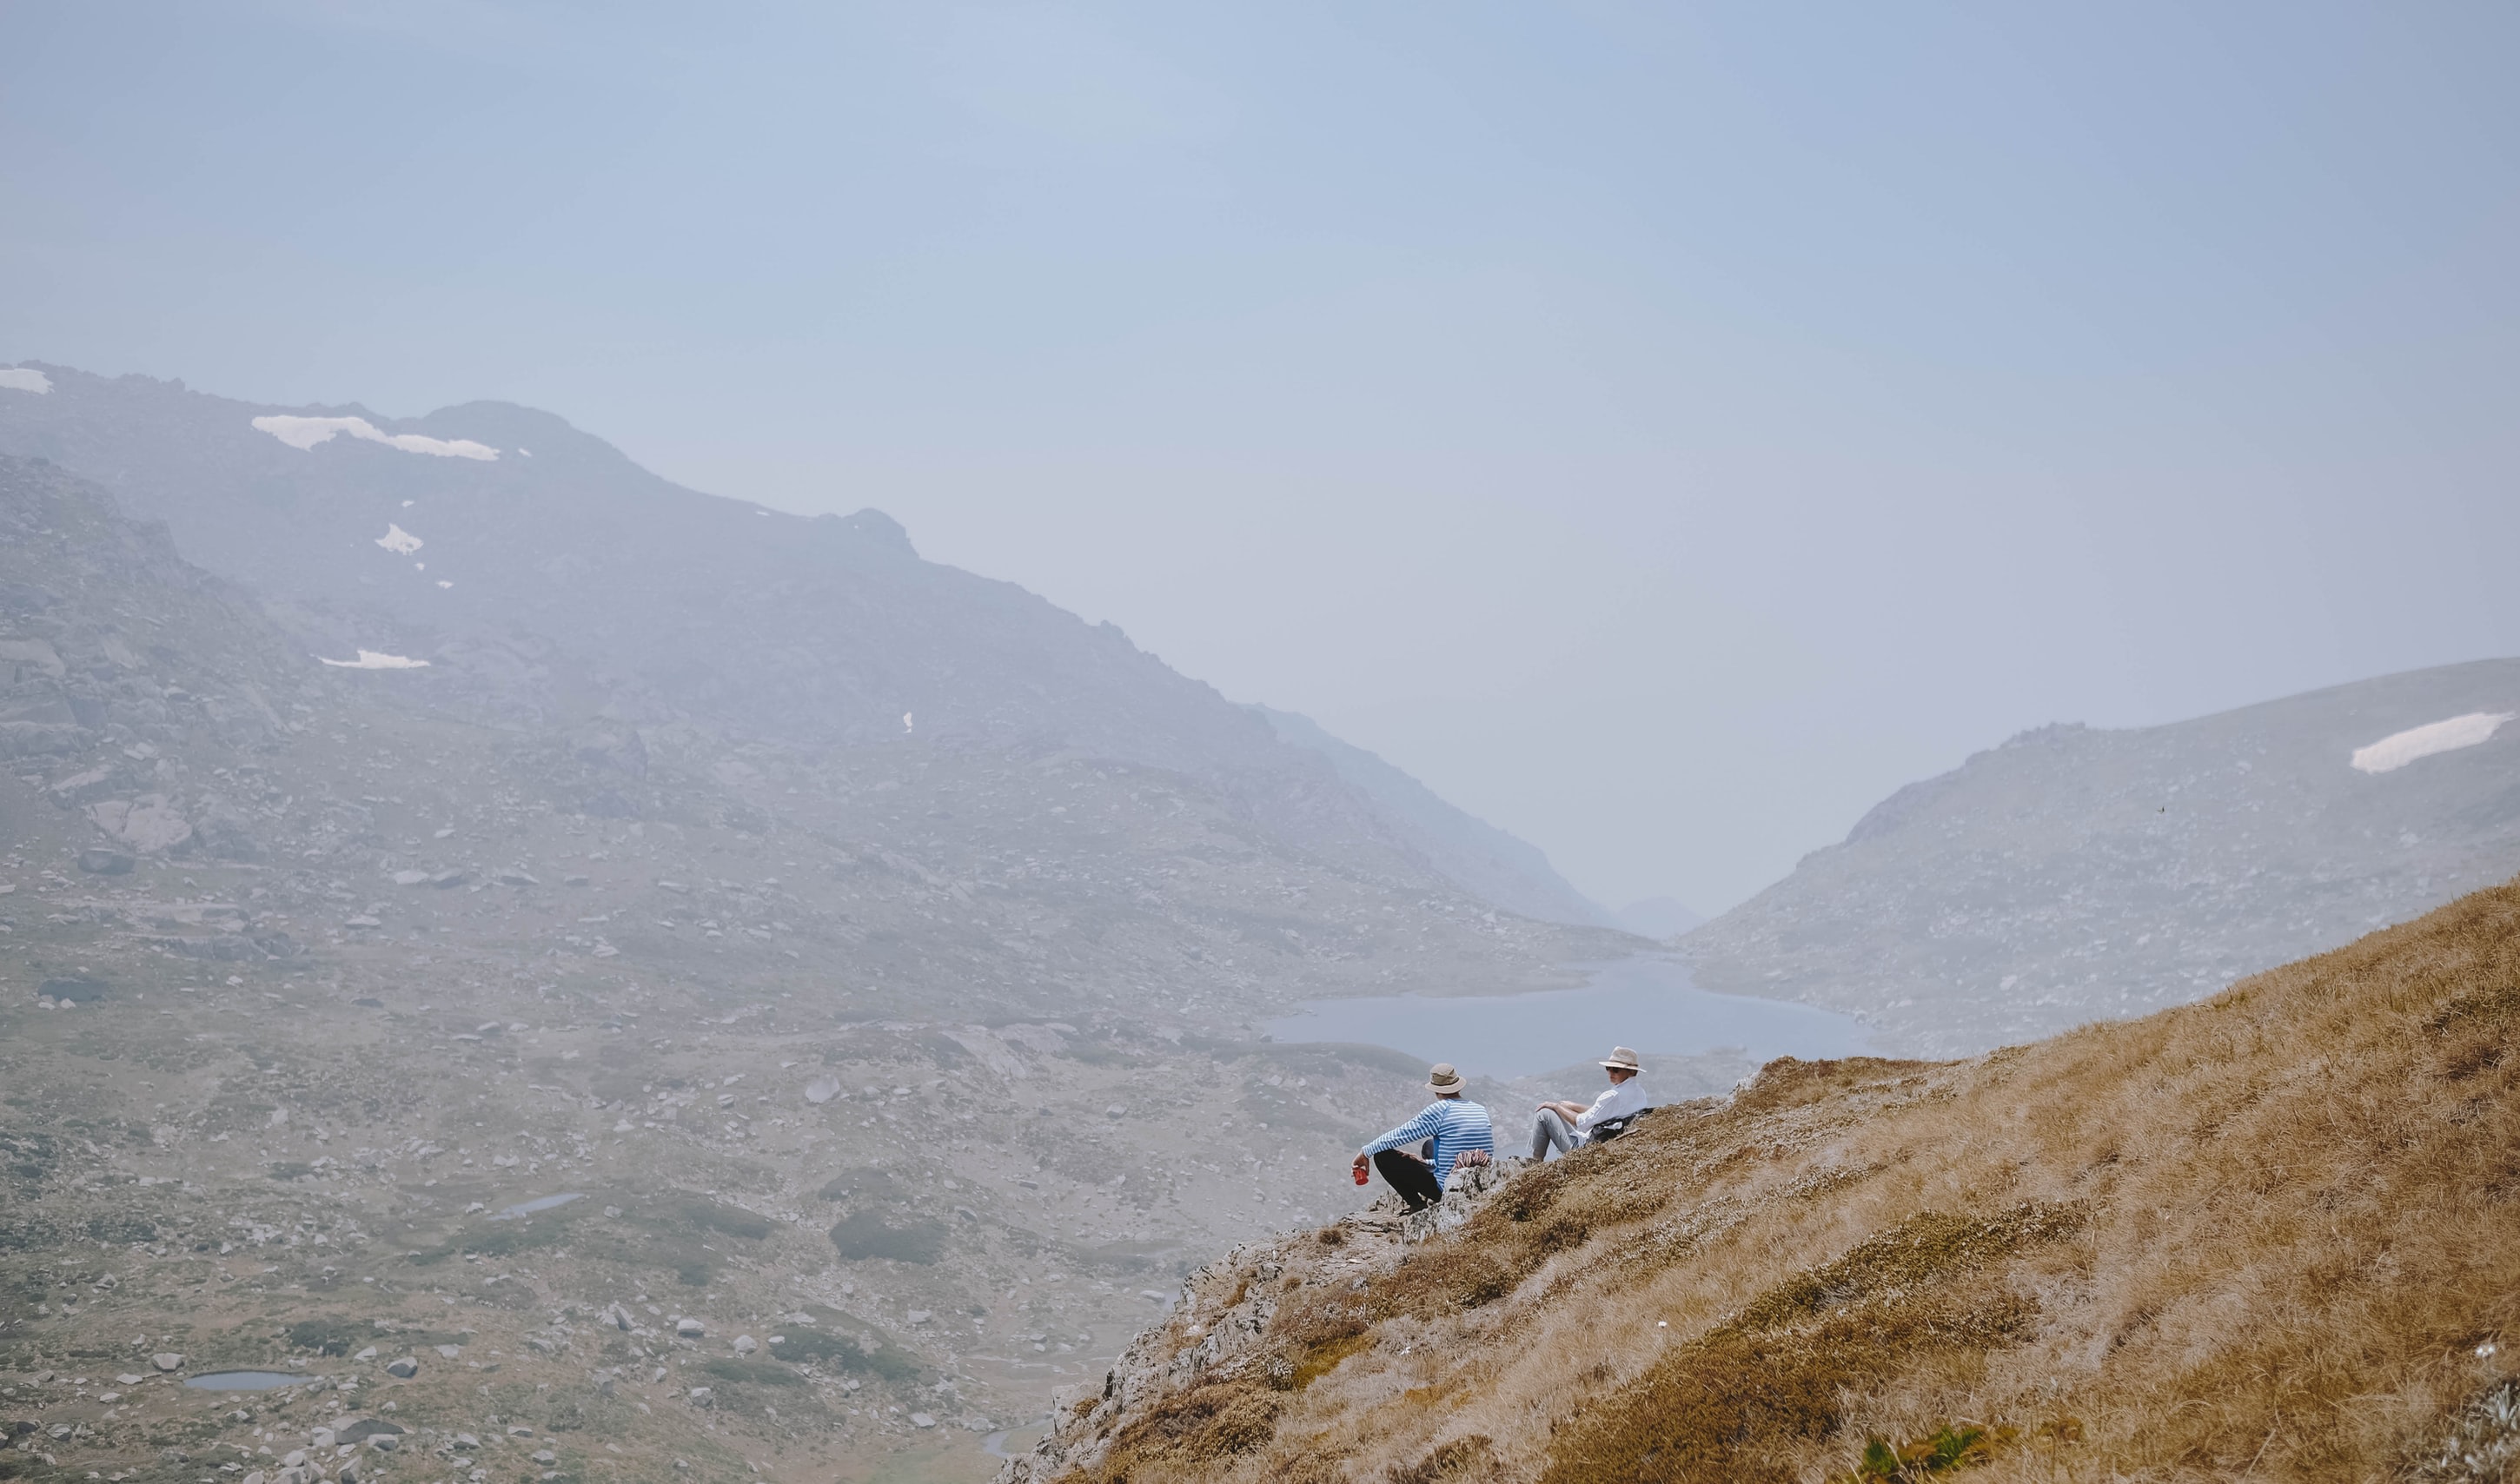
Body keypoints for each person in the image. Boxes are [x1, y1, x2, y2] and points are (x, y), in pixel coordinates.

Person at [1351, 1062, 1495, 1213]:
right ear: (1458, 1085)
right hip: (1480, 1183)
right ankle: (1429, 1177)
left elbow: (1401, 1135)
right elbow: (1466, 1153)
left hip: (1449, 1189)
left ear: (1435, 1089)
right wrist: (1425, 1163)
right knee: (1430, 1145)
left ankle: (1417, 1205)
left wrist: (1365, 1152)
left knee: (1382, 1156)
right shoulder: (1479, 1109)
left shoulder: (1441, 1109)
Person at [1529, 1046, 1649, 1161]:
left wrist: (1556, 1107)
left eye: (1616, 1070)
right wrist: (1573, 1106)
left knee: (1544, 1114)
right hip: (1609, 1142)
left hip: (1586, 1149)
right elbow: (1603, 1113)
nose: (1610, 1073)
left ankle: (1535, 1161)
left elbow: (1582, 1123)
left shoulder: (1613, 1096)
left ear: (1630, 1072)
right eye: (1608, 1068)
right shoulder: (1640, 1093)